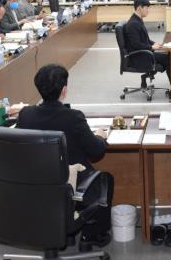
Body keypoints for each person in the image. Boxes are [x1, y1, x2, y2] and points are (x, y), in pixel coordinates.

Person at [16, 64, 109, 246]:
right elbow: (96, 151)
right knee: (105, 181)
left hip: (34, 186)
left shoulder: (25, 115)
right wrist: (100, 136)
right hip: (70, 185)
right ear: (64, 90)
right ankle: (92, 236)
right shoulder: (74, 117)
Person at [124, 0, 171, 81]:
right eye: (146, 8)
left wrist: (154, 44)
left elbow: (145, 39)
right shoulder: (133, 24)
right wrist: (151, 47)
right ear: (139, 8)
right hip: (140, 57)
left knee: (169, 56)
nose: (148, 10)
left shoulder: (138, 20)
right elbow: (136, 44)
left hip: (144, 53)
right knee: (170, 58)